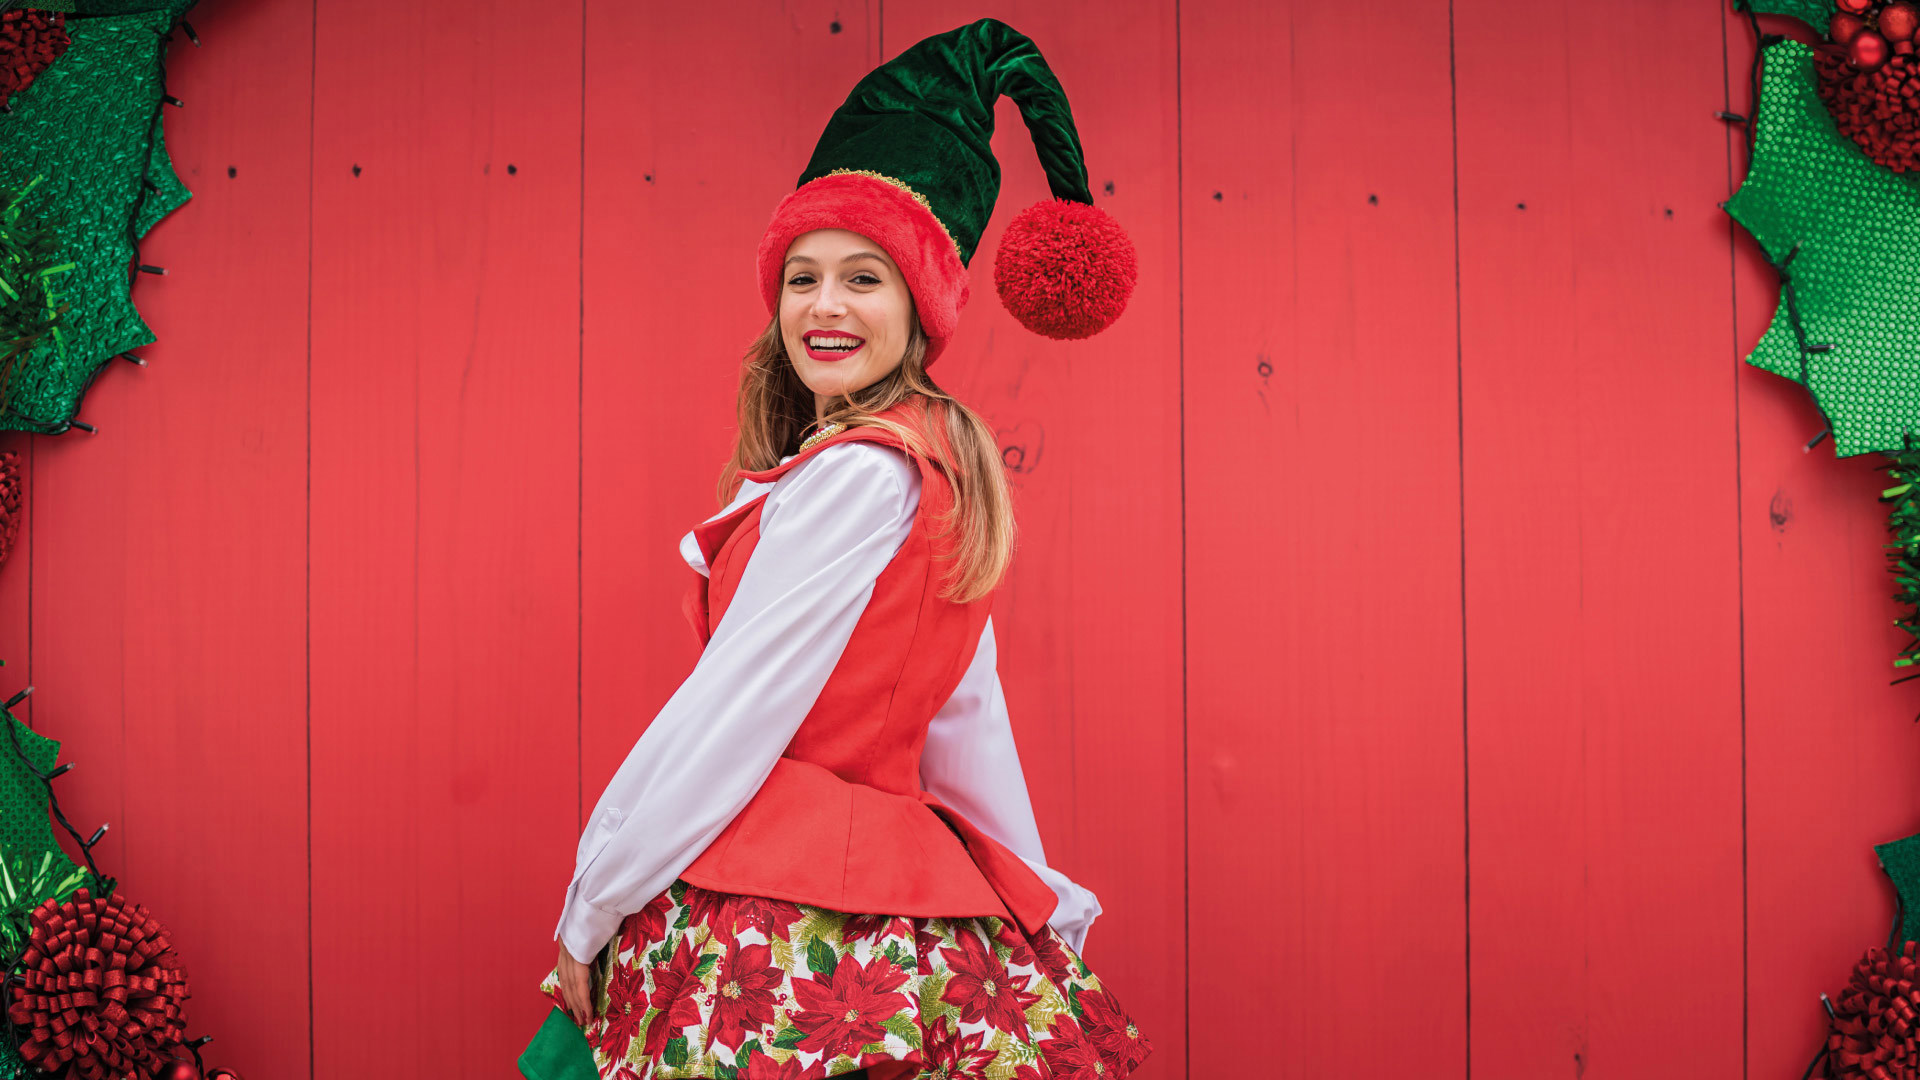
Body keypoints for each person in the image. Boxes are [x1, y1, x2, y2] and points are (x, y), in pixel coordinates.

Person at [519, 19, 1148, 1080]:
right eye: (801, 277)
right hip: (890, 900)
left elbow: (735, 708)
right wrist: (1038, 901)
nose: (824, 305)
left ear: (922, 306)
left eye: (865, 278)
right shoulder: (933, 464)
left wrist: (595, 898)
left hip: (779, 912)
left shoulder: (857, 476)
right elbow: (966, 720)